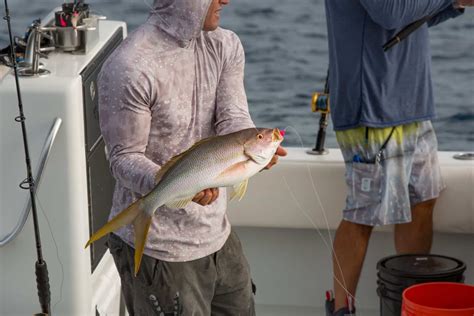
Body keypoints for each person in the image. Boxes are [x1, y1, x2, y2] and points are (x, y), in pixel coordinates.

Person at [97, 0, 287, 315]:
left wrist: (255, 150)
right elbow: (123, 157)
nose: (225, 0)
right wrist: (180, 187)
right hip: (160, 251)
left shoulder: (225, 45)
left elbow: (234, 121)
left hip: (219, 238)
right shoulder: (130, 65)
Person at [323, 0, 472, 315]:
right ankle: (340, 310)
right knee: (363, 214)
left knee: (424, 199)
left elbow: (412, 16)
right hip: (373, 107)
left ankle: (411, 301)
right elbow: (390, 13)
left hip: (414, 102)